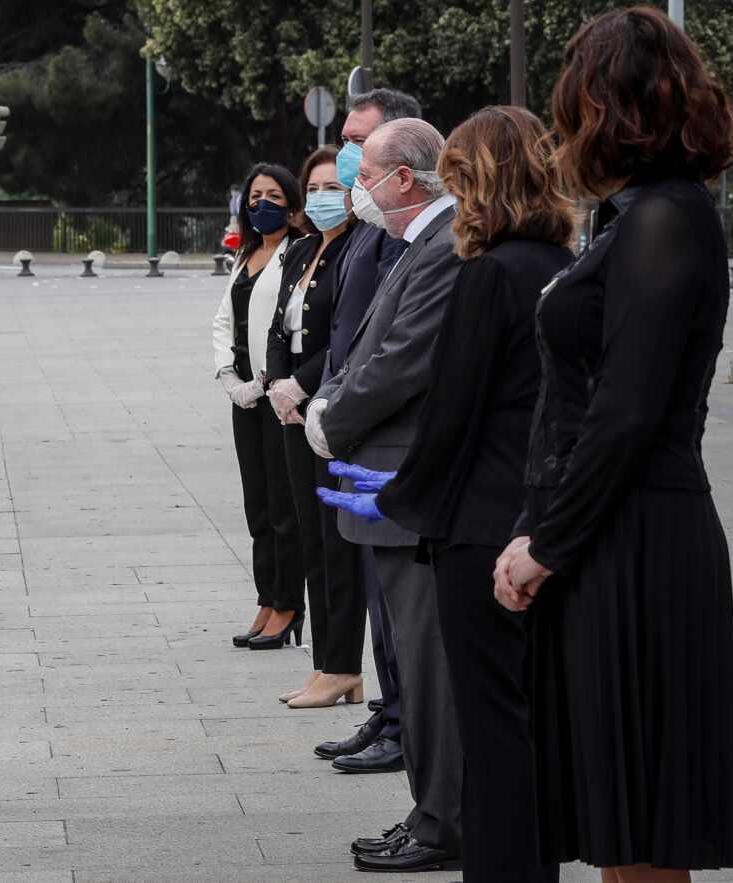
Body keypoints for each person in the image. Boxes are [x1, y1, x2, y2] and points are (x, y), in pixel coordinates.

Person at [493, 9, 733, 881]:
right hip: (615, 536)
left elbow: (626, 411)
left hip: (636, 541)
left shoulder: (664, 219)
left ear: (608, 105)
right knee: (618, 825)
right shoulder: (638, 215)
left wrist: (546, 542)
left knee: (638, 829)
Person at [326, 105, 574, 882]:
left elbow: (453, 408)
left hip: (473, 524)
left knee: (487, 723)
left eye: (458, 180)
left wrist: (400, 493)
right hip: (530, 509)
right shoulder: (555, 264)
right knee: (522, 722)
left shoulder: (486, 270)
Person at [305, 117, 464, 873]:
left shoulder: (442, 244)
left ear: (404, 178)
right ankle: (428, 809)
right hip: (386, 487)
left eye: (362, 172)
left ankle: (443, 821)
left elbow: (403, 360)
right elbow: (364, 342)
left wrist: (331, 418)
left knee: (430, 669)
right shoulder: (411, 243)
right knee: (410, 657)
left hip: (406, 487)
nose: (352, 185)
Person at [304, 88, 421, 772]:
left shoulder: (407, 234)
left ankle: (405, 719)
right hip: (348, 423)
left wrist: (337, 406)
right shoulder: (369, 225)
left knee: (397, 595)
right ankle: (391, 709)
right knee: (377, 587)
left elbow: (391, 346)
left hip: (378, 432)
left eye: (359, 142)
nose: (347, 153)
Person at [262, 145, 360, 707]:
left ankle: (341, 663)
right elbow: (280, 326)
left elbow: (343, 338)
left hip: (326, 407)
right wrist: (278, 384)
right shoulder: (301, 252)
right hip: (289, 409)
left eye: (334, 188)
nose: (324, 198)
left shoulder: (355, 251)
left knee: (334, 542)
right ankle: (325, 664)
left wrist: (302, 385)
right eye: (315, 189)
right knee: (308, 537)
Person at [211, 163, 306, 650]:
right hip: (244, 397)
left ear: (291, 205)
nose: (261, 203)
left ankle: (289, 604)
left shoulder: (300, 255)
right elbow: (225, 320)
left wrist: (265, 383)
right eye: (254, 196)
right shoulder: (246, 254)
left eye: (272, 195)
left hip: (279, 396)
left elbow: (288, 327)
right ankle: (266, 598)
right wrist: (230, 379)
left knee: (284, 505)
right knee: (257, 504)